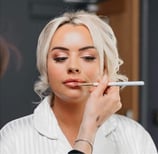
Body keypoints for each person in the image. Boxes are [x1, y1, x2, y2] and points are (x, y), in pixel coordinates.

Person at [0, 10, 157, 154]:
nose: (73, 67)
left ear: (104, 68)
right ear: (45, 67)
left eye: (88, 57)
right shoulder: (13, 138)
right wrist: (88, 129)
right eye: (60, 58)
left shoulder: (135, 137)